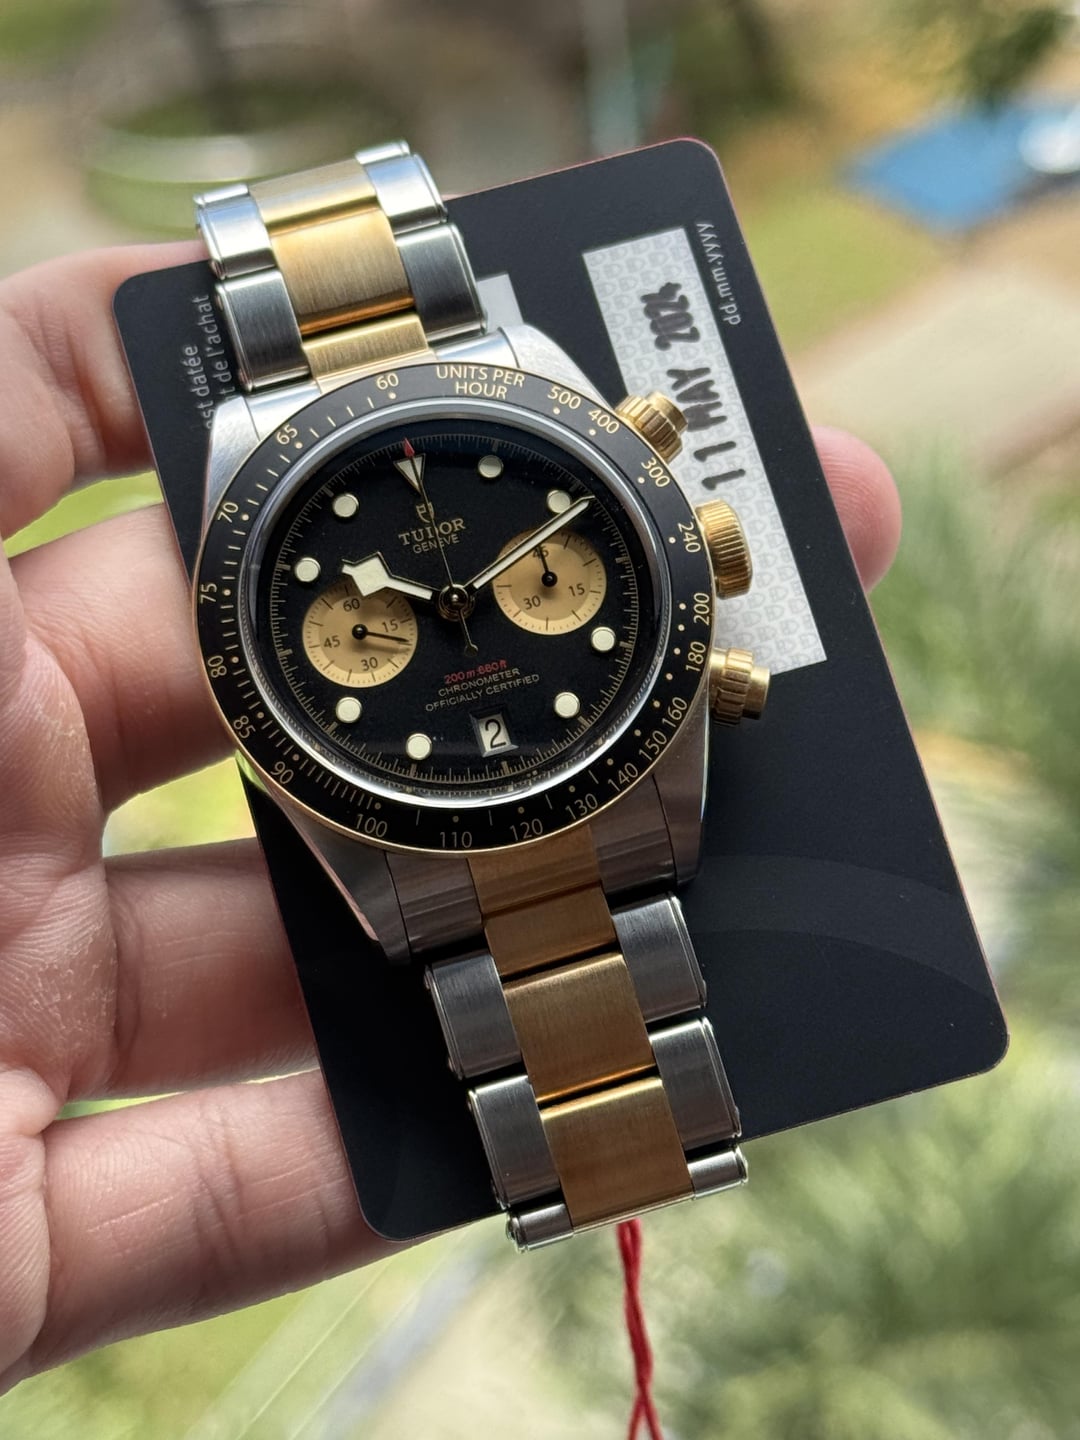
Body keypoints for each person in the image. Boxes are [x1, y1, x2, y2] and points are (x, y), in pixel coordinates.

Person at [0, 242, 902, 1393]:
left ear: (700, 559)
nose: (465, 604)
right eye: (446, 603)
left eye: (520, 582)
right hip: (412, 832)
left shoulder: (514, 384)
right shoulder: (270, 511)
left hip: (573, 779)